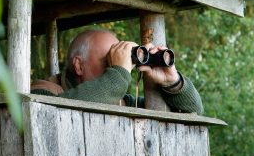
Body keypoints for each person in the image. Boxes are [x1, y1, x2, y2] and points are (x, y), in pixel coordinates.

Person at [31, 29, 203, 114]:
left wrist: (173, 82)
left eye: (120, 59)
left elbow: (193, 111)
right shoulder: (42, 91)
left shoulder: (121, 102)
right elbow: (50, 113)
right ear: (78, 65)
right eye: (109, 60)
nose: (117, 66)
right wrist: (119, 73)